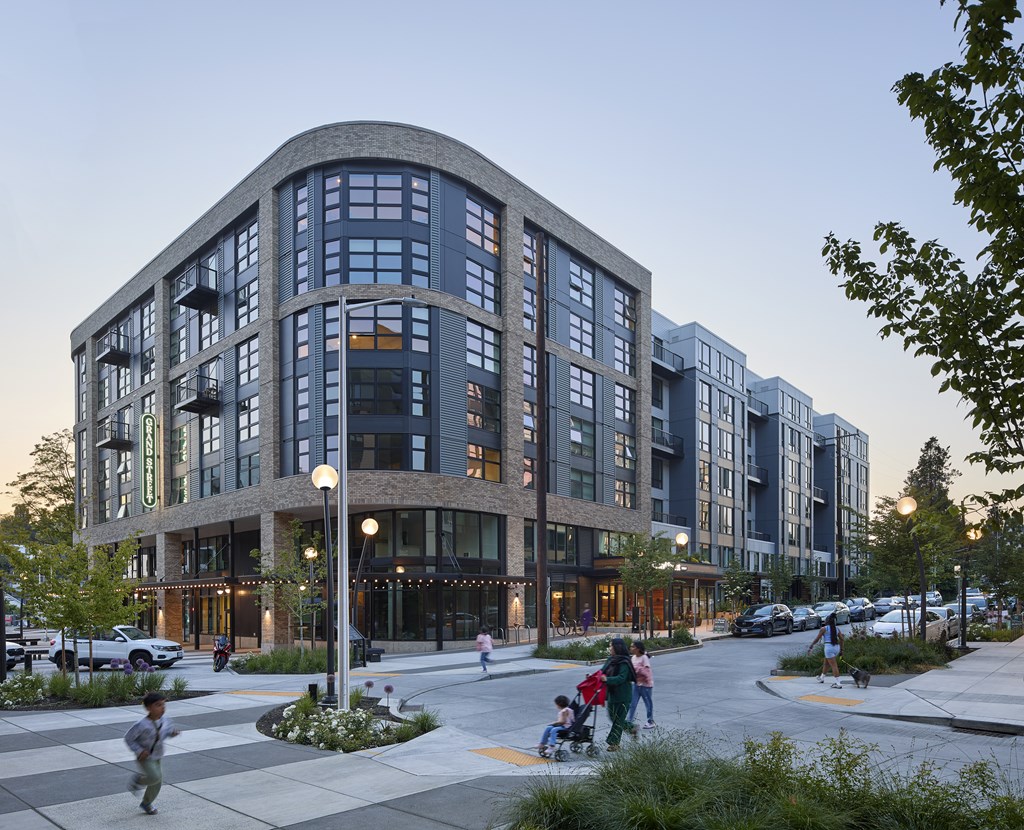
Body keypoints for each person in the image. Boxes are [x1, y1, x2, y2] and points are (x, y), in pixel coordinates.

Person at [124, 691, 180, 815]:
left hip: (157, 755)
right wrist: (139, 750)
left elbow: (166, 732)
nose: (162, 708)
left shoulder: (166, 720)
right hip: (145, 757)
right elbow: (128, 738)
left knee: (157, 782)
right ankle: (138, 781)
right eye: (158, 705)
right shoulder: (141, 725)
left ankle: (146, 803)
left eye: (164, 705)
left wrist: (172, 733)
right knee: (154, 777)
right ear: (149, 708)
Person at [601, 637, 635, 751]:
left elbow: (621, 678)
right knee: (612, 717)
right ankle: (631, 728)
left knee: (618, 720)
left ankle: (614, 744)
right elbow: (602, 672)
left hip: (623, 695)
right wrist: (593, 677)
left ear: (617, 647)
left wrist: (607, 680)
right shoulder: (610, 660)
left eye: (611, 646)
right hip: (612, 694)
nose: (610, 648)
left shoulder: (624, 662)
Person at [808, 612, 844, 689]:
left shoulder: (824, 629)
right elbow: (842, 639)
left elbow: (817, 639)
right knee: (826, 663)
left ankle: (838, 683)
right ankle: (822, 678)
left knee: (834, 665)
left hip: (828, 647)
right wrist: (841, 650)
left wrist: (811, 646)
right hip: (836, 647)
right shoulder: (837, 629)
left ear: (827, 621)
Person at [625, 640, 655, 731]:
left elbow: (647, 672)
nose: (631, 648)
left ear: (638, 649)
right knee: (632, 703)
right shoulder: (633, 658)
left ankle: (650, 721)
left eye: (633, 647)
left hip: (646, 685)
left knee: (648, 703)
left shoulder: (644, 658)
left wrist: (637, 670)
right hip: (636, 684)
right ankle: (629, 721)